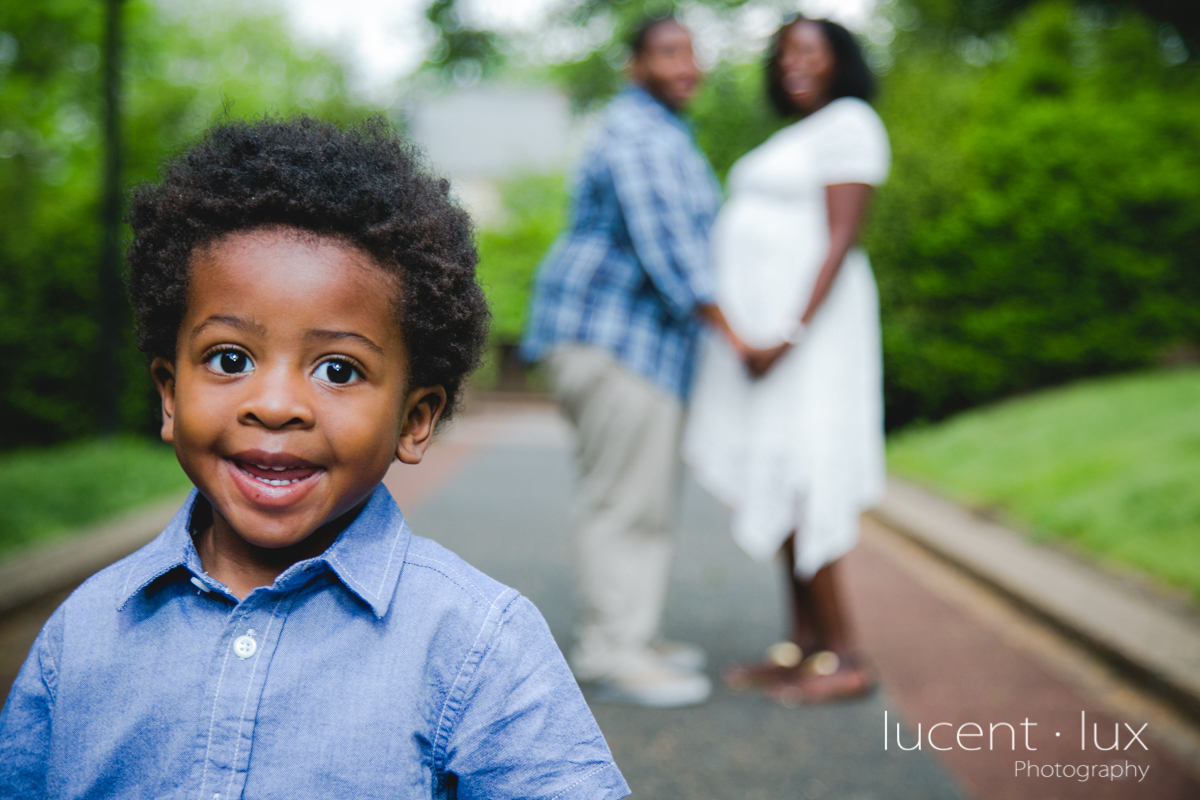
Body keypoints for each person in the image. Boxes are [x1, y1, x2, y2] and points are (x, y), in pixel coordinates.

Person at [0, 117, 630, 800]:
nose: (275, 405)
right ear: (170, 395)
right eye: (229, 359)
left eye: (337, 370)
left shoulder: (476, 642)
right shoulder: (85, 633)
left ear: (415, 420)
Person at [522, 17, 747, 708]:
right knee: (624, 501)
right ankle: (610, 650)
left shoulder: (666, 132)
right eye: (669, 52)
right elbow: (672, 247)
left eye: (692, 52)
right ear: (636, 65)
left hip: (638, 343)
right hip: (612, 337)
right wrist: (740, 336)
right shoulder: (638, 134)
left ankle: (633, 634)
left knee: (642, 497)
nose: (688, 65)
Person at [683, 17, 890, 705]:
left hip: (810, 340)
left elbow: (838, 239)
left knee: (808, 473)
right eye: (784, 53)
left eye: (810, 50)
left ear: (842, 61)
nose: (793, 63)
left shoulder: (851, 124)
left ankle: (844, 657)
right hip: (766, 342)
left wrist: (790, 331)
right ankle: (803, 645)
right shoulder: (799, 135)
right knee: (777, 470)